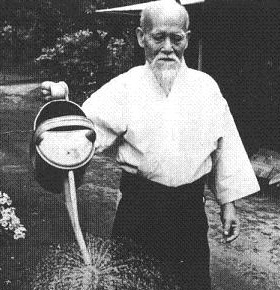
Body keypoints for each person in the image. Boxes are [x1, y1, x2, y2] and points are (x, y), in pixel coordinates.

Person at [41, 1, 260, 289]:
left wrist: (228, 203)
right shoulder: (124, 88)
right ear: (141, 37)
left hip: (189, 214)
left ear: (187, 38)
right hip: (139, 211)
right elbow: (82, 129)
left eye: (176, 38)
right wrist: (61, 104)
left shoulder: (206, 88)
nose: (168, 47)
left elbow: (225, 146)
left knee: (191, 284)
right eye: (158, 37)